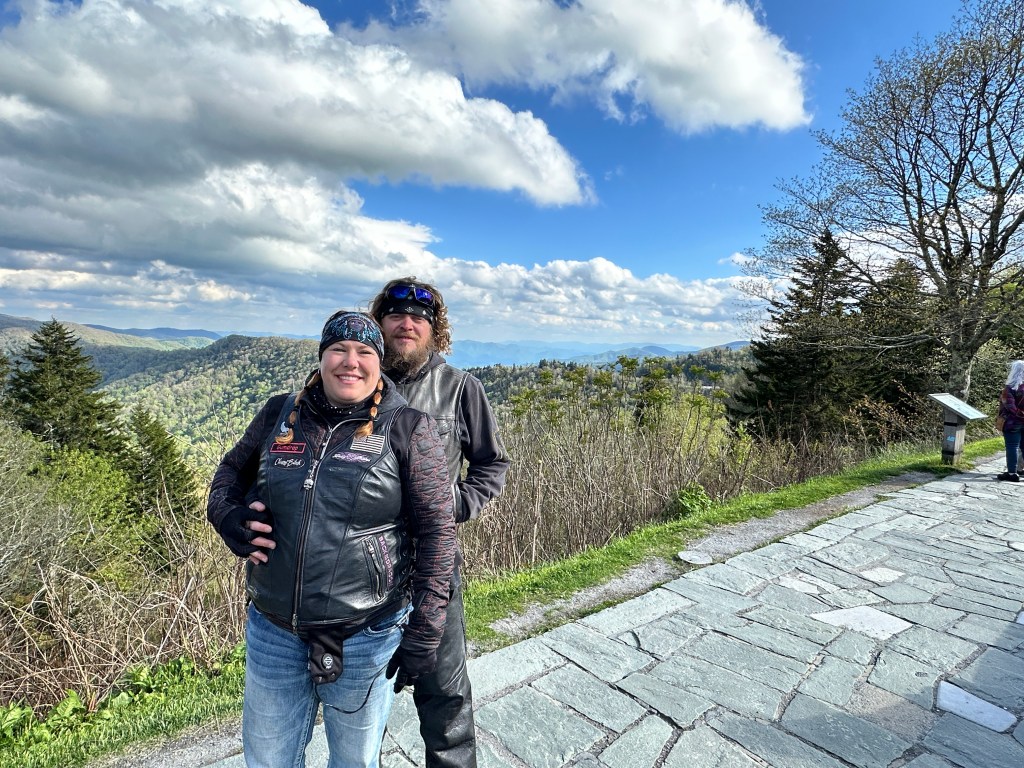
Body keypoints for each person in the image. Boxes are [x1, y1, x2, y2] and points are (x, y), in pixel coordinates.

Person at [207, 311, 456, 768]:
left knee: (354, 762)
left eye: (364, 352)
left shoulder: (408, 427)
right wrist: (226, 514)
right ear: (321, 358)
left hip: (366, 633)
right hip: (273, 629)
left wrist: (426, 628)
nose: (350, 362)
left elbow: (437, 532)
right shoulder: (279, 414)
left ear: (379, 361)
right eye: (338, 349)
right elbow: (229, 473)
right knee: (267, 761)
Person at [368, 277, 509, 768]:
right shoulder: (356, 383)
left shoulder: (460, 388)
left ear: (434, 330)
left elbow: (491, 464)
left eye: (419, 318)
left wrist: (456, 507)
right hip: (360, 576)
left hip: (434, 571)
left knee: (446, 702)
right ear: (379, 323)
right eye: (396, 315)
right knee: (359, 710)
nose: (407, 324)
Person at [997, 359, 1024, 482]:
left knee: (1012, 446)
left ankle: (1012, 473)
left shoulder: (1009, 388)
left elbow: (1010, 407)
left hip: (1012, 423)